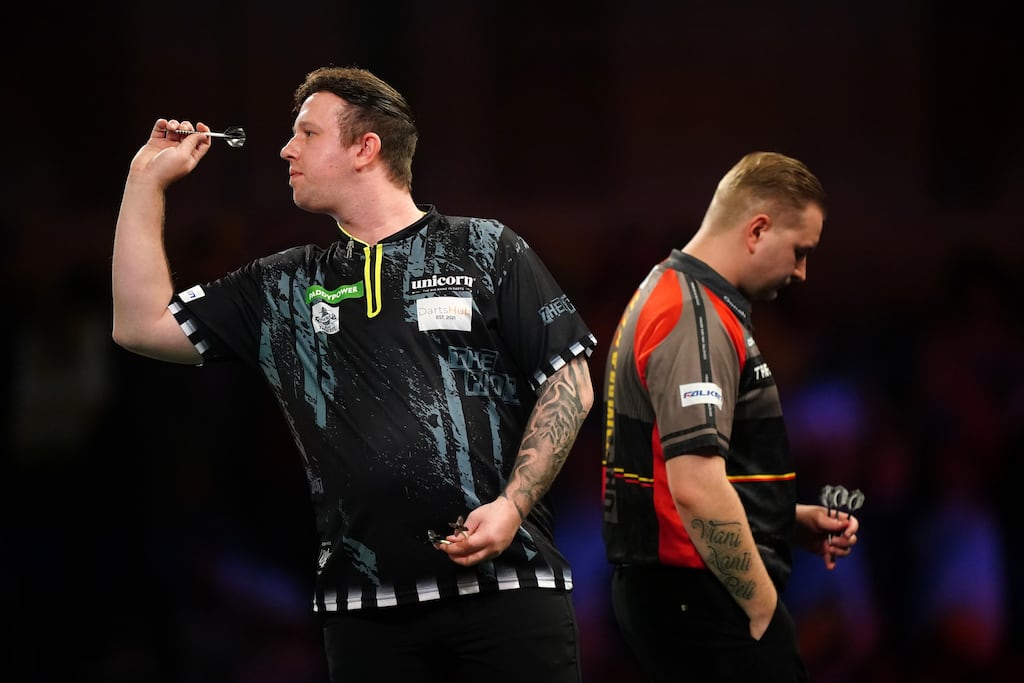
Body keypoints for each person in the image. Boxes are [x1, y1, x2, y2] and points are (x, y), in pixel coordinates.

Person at [111, 66, 596, 682]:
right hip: (363, 613)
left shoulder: (487, 248)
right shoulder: (284, 285)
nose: (286, 150)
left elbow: (571, 384)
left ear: (365, 148)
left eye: (307, 134)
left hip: (508, 590)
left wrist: (512, 505)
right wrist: (144, 181)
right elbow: (140, 324)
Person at [601, 151, 860, 682]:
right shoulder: (692, 316)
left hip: (682, 593)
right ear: (758, 230)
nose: (802, 272)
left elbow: (675, 482)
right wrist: (762, 607)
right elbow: (696, 488)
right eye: (800, 251)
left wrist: (782, 520)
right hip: (701, 596)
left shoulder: (675, 295)